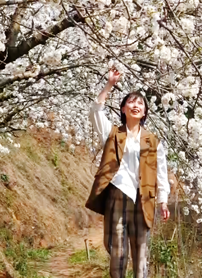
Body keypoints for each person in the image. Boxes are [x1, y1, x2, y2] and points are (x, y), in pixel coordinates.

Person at [85, 66, 170, 278]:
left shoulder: (153, 141)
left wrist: (163, 201)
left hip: (144, 198)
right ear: (123, 109)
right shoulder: (113, 133)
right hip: (118, 194)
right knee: (118, 252)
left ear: (144, 112)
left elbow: (161, 172)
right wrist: (109, 85)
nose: (136, 105)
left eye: (140, 103)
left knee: (141, 253)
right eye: (131, 102)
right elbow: (96, 111)